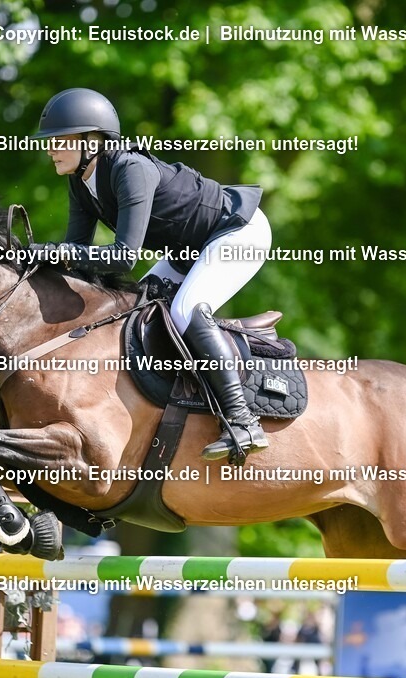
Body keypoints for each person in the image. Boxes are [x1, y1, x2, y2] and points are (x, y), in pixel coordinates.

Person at [28, 88, 270, 460]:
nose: (51, 149)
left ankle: (243, 421)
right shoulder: (80, 182)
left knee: (187, 311)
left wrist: (59, 252)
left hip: (237, 230)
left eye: (60, 140)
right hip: (187, 249)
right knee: (134, 315)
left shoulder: (130, 169)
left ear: (92, 141)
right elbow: (77, 256)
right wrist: (36, 262)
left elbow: (123, 257)